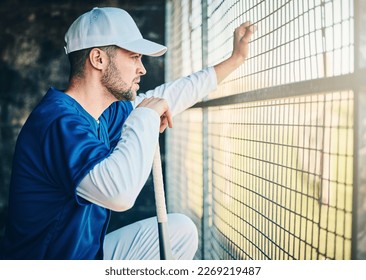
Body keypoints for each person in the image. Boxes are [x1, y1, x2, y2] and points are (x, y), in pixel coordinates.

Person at [0, 7, 255, 259]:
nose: (142, 68)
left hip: (86, 257)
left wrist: (235, 60)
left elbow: (167, 97)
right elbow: (120, 194)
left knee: (180, 232)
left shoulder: (103, 113)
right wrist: (145, 118)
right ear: (98, 59)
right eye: (134, 57)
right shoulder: (58, 122)